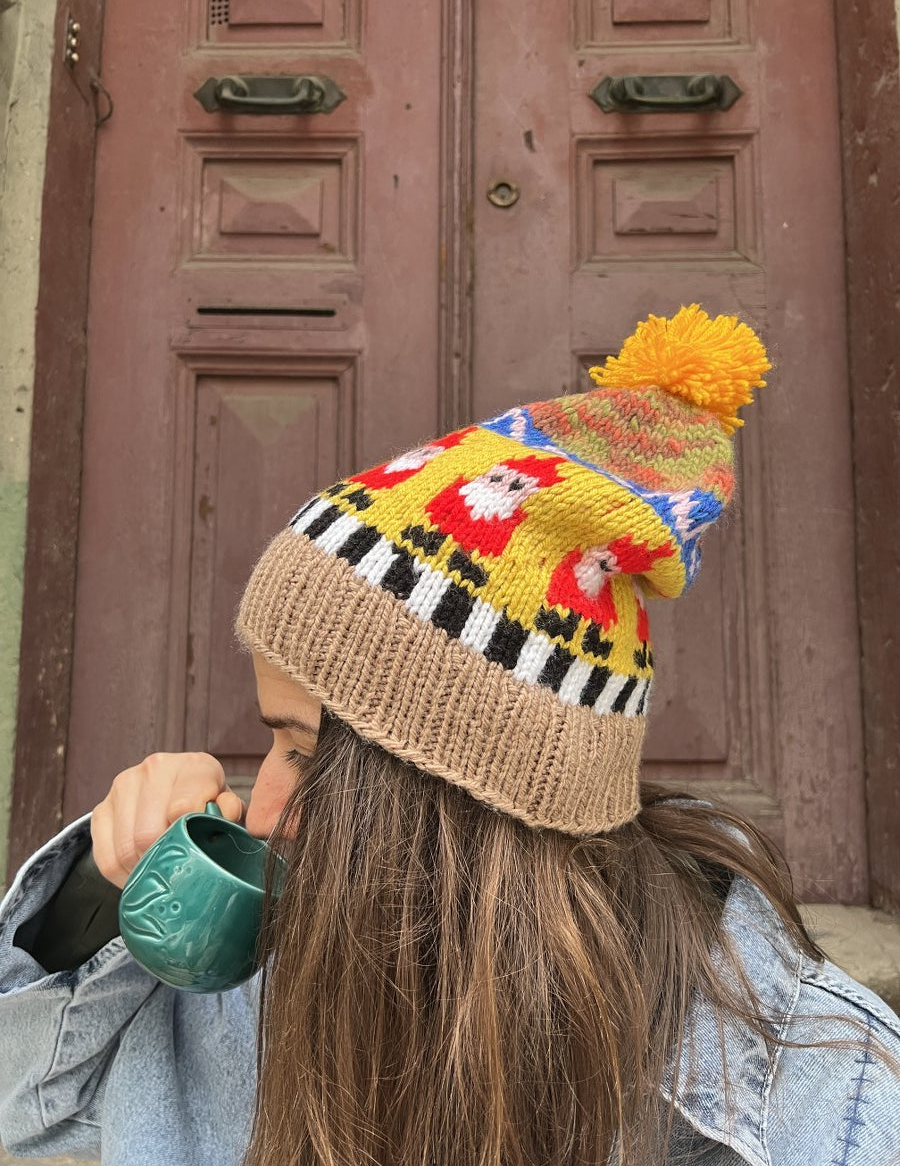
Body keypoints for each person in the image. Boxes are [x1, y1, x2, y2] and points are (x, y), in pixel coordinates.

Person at [1, 306, 898, 1166]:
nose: (264, 811)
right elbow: (22, 1106)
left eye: (306, 753)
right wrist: (94, 893)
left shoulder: (827, 1101)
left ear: (462, 801)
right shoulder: (249, 959)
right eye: (272, 743)